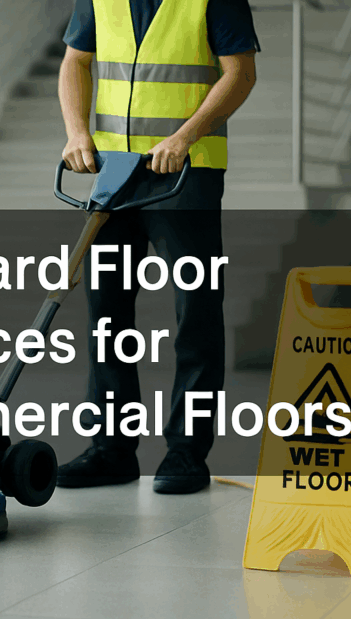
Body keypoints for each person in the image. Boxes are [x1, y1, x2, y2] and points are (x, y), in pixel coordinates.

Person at [55, 0, 260, 493]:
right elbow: (75, 61)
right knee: (106, 313)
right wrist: (77, 133)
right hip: (115, 173)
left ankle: (187, 453)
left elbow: (241, 73)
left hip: (186, 173)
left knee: (196, 312)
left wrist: (185, 137)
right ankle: (111, 449)